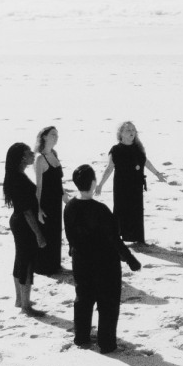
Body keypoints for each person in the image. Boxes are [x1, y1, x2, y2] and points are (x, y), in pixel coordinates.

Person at [64, 164, 142, 353]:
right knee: (108, 304)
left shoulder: (70, 207)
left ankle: (81, 337)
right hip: (105, 264)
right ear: (93, 183)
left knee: (83, 299)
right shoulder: (101, 210)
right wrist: (130, 259)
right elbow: (114, 239)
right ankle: (106, 343)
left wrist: (72, 251)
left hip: (81, 261)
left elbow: (70, 236)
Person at [95, 121, 168, 244]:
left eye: (133, 130)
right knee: (120, 211)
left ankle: (138, 239)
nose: (131, 132)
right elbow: (109, 168)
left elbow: (146, 162)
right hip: (121, 186)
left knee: (136, 211)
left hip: (136, 185)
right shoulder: (116, 149)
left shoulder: (138, 148)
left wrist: (157, 174)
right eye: (128, 130)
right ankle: (117, 239)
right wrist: (100, 184)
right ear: (121, 134)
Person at [2, 142, 47, 316]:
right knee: (26, 263)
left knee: (20, 259)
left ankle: (20, 299)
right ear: (22, 158)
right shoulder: (18, 179)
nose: (32, 154)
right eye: (29, 153)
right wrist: (39, 235)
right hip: (24, 222)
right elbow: (27, 211)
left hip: (18, 220)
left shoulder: (15, 175)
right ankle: (26, 305)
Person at [33, 126, 69, 275]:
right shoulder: (40, 159)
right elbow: (39, 187)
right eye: (53, 134)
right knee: (47, 232)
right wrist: (38, 209)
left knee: (56, 232)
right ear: (44, 137)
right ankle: (44, 266)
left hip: (56, 200)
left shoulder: (54, 153)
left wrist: (65, 195)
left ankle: (55, 264)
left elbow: (58, 181)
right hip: (46, 201)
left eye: (57, 135)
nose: (56, 137)